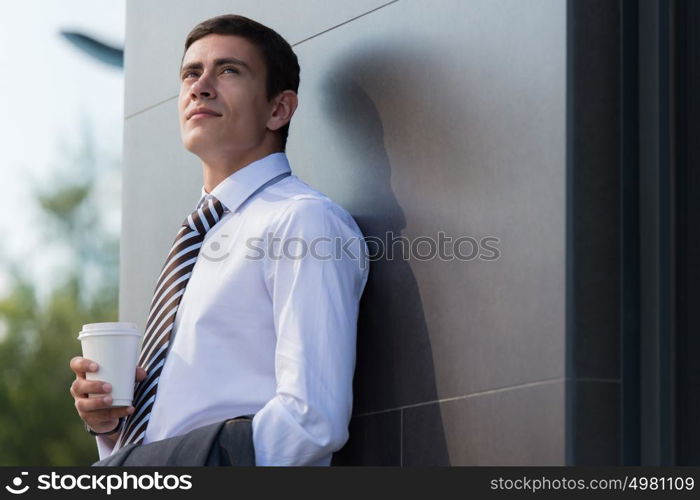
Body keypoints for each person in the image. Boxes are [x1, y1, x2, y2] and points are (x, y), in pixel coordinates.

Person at [69, 14, 368, 466]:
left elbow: (312, 420)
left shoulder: (303, 222)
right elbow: (177, 424)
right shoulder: (195, 239)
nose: (200, 86)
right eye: (191, 73)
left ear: (278, 109)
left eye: (228, 71)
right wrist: (112, 425)